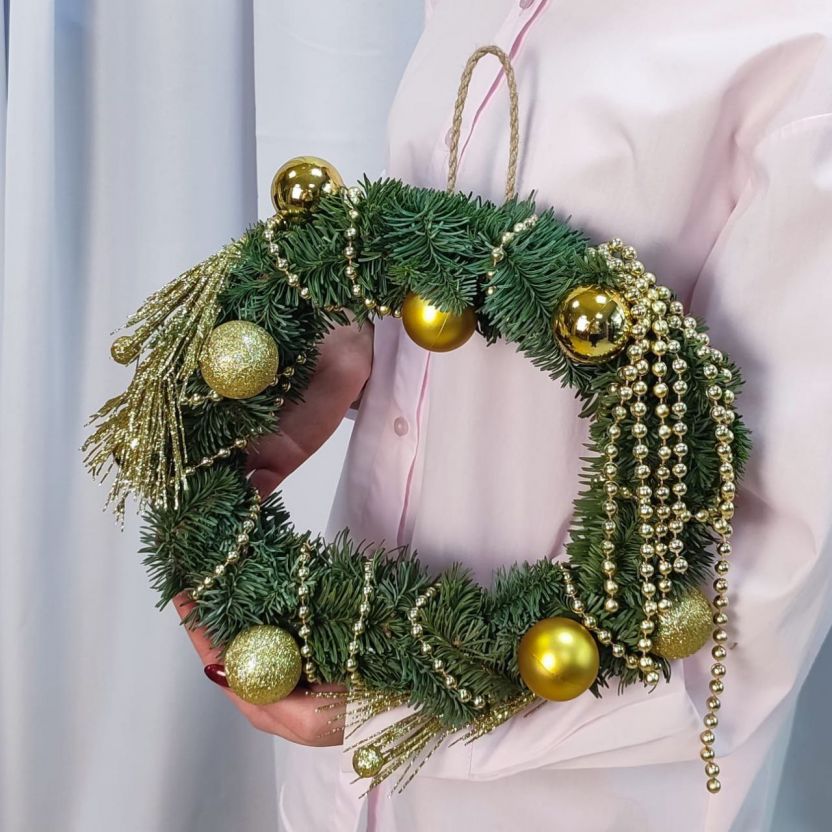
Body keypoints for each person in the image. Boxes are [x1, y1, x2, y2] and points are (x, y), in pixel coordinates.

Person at [177, 1, 832, 829]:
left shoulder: (797, 54)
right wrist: (352, 343)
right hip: (334, 769)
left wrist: (393, 707)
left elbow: (770, 573)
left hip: (561, 790)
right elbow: (457, 272)